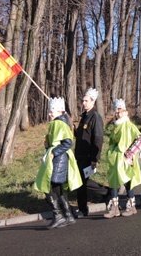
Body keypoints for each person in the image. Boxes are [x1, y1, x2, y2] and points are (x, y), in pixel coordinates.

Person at [34, 97, 82, 228]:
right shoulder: (57, 123)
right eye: (50, 111)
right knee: (58, 188)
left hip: (58, 160)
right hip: (57, 159)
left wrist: (54, 152)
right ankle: (68, 215)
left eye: (52, 111)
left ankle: (59, 215)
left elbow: (67, 142)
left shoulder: (59, 123)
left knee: (51, 187)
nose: (50, 114)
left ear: (60, 111)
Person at [103, 99, 141, 218]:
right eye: (116, 112)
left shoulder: (129, 126)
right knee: (114, 181)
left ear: (125, 112)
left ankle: (132, 205)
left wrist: (130, 154)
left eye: (120, 112)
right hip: (115, 159)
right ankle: (115, 208)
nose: (118, 114)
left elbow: (139, 139)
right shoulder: (116, 127)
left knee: (128, 181)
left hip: (125, 158)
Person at [74, 88, 104, 218]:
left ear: (93, 102)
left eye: (86, 101)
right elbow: (83, 135)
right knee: (83, 182)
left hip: (88, 155)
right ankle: (106, 192)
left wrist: (95, 159)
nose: (84, 103)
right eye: (83, 100)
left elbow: (98, 138)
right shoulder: (84, 117)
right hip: (80, 154)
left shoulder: (95, 117)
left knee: (81, 183)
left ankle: (83, 209)